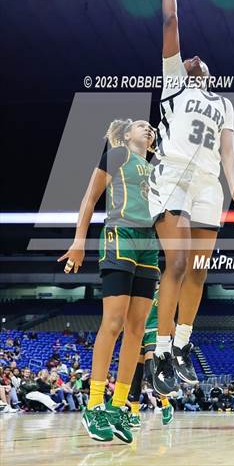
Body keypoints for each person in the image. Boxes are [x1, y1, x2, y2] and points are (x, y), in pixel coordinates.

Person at [149, 0, 234, 396]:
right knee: (175, 262)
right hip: (172, 173)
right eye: (189, 56)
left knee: (198, 268)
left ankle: (179, 347)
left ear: (209, 73)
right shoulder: (174, 82)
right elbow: (171, 19)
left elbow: (229, 152)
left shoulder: (226, 105)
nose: (193, 57)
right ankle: (158, 354)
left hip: (208, 185)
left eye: (200, 59)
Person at [59, 118, 159, 443]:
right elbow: (89, 199)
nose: (149, 129)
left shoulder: (155, 166)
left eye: (151, 127)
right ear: (127, 134)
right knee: (113, 323)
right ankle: (94, 405)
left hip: (149, 244)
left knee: (137, 330)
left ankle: (118, 408)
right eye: (142, 125)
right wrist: (78, 241)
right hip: (120, 234)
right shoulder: (117, 155)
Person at [126, 285, 174, 429]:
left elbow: (169, 316)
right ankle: (134, 413)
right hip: (137, 333)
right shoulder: (134, 292)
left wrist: (177, 339)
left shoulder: (163, 293)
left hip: (155, 332)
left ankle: (166, 404)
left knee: (150, 372)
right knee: (136, 375)